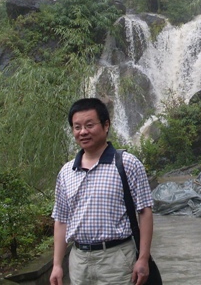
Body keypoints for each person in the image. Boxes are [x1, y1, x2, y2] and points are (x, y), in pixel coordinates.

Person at [50, 98, 154, 285]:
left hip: (116, 259)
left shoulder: (128, 164)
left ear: (106, 125)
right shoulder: (66, 172)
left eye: (89, 125)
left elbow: (145, 212)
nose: (83, 132)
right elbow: (61, 220)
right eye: (77, 127)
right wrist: (57, 265)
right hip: (78, 261)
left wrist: (143, 258)